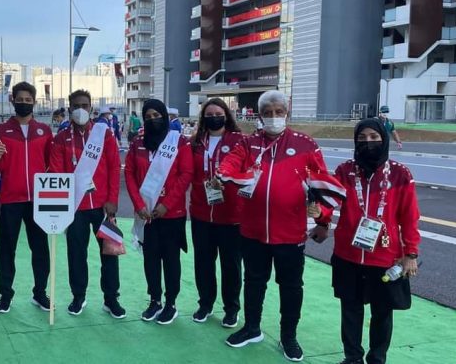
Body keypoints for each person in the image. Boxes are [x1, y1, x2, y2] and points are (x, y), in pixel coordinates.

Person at [217, 90, 331, 361]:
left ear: (287, 113)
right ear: (259, 115)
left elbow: (323, 185)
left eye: (279, 112)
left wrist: (323, 217)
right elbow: (229, 165)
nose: (273, 117)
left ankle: (288, 336)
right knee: (254, 281)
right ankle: (252, 328)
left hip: (290, 233)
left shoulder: (305, 144)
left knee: (291, 286)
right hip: (252, 230)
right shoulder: (248, 143)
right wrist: (228, 175)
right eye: (267, 113)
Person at [325, 119, 420, 364]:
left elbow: (409, 217)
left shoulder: (400, 174)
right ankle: (353, 357)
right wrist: (320, 217)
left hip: (385, 257)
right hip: (347, 254)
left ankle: (377, 358)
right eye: (362, 138)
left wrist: (411, 253)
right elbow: (329, 201)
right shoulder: (344, 171)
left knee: (382, 312)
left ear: (384, 139)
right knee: (350, 309)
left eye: (374, 137)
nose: (368, 142)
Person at [49, 90, 125, 318]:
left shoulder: (104, 134)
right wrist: (63, 206)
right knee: (76, 254)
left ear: (91, 108)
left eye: (85, 105)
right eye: (76, 106)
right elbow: (57, 172)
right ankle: (78, 296)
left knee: (109, 254)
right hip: (75, 207)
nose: (80, 109)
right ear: (69, 109)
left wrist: (112, 200)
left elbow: (114, 167)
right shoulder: (61, 138)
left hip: (103, 206)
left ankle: (111, 299)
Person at [125, 99, 193, 325]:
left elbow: (186, 174)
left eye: (157, 115)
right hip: (146, 213)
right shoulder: (137, 144)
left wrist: (167, 204)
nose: (153, 119)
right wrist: (138, 204)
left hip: (171, 214)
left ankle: (170, 303)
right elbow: (130, 175)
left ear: (164, 116)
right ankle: (154, 300)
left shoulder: (179, 142)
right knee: (150, 259)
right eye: (148, 116)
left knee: (171, 259)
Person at [0, 82, 52, 313]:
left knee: (41, 249)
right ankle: (6, 294)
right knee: (7, 249)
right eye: (20, 100)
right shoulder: (1, 131)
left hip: (38, 200)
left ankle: (40, 293)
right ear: (13, 100)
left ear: (34, 102)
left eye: (28, 100)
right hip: (11, 200)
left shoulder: (44, 131)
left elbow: (51, 165)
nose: (24, 103)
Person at [189, 98, 245, 328]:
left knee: (231, 264)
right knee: (203, 262)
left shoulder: (240, 141)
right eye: (209, 114)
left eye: (218, 113)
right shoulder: (195, 142)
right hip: (201, 213)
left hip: (230, 214)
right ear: (204, 117)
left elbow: (249, 172)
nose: (214, 118)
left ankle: (231, 309)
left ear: (226, 115)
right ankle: (205, 304)